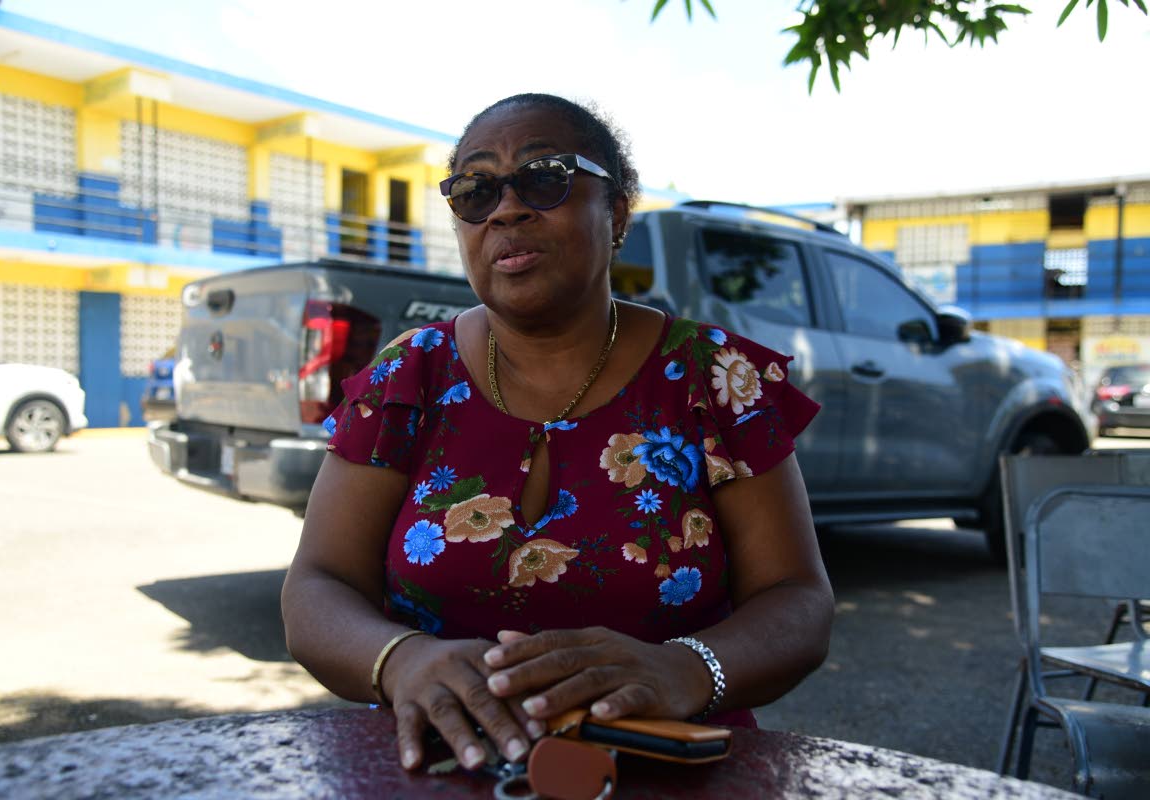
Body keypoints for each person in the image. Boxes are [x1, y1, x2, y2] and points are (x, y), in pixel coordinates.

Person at [281, 93, 834, 773]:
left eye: (546, 176)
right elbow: (318, 584)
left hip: (668, 774)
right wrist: (400, 661)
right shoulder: (410, 376)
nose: (506, 209)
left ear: (618, 211)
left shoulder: (712, 376)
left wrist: (687, 671)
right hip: (439, 771)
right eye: (475, 190)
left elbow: (797, 600)